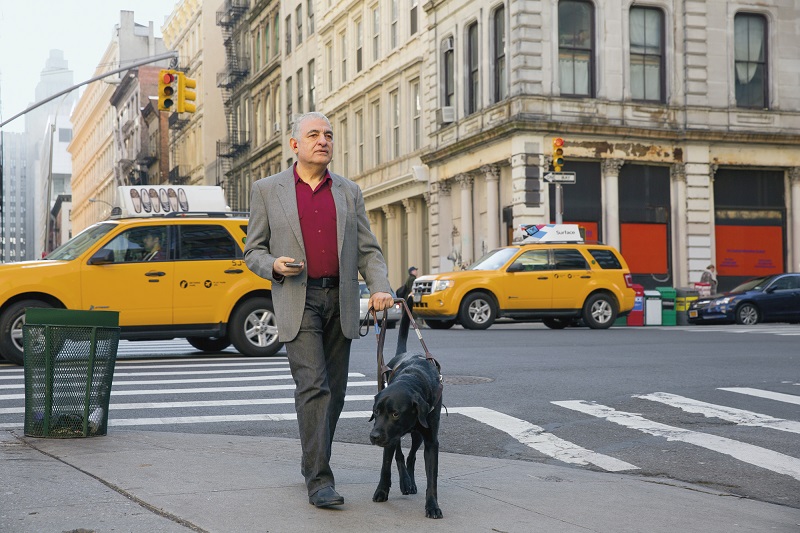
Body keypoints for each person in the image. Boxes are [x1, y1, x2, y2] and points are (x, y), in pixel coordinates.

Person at [244, 111, 394, 509]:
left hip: (340, 300)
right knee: (314, 387)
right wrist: (272, 264)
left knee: (337, 393)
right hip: (298, 298)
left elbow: (367, 249)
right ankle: (320, 480)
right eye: (313, 135)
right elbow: (252, 250)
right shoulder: (266, 190)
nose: (323, 140)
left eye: (328, 134)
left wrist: (380, 288)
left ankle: (311, 458)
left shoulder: (348, 191)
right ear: (295, 144)